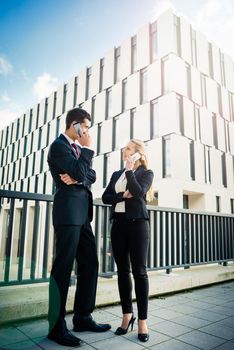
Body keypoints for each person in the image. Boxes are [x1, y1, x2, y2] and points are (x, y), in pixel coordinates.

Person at [47, 108, 111, 347]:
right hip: (67, 213)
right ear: (75, 125)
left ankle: (82, 317)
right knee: (63, 268)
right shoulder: (59, 146)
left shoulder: (74, 150)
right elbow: (80, 170)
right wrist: (86, 152)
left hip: (83, 215)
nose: (87, 132)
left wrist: (79, 175)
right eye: (85, 126)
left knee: (90, 264)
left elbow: (89, 174)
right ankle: (56, 326)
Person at [102, 139, 154, 343]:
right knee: (122, 271)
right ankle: (127, 315)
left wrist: (130, 170)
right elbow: (106, 197)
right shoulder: (116, 174)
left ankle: (142, 321)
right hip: (119, 225)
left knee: (139, 271)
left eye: (128, 148)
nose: (124, 150)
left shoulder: (146, 173)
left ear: (137, 153)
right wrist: (122, 196)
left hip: (138, 224)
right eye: (125, 148)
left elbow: (139, 192)